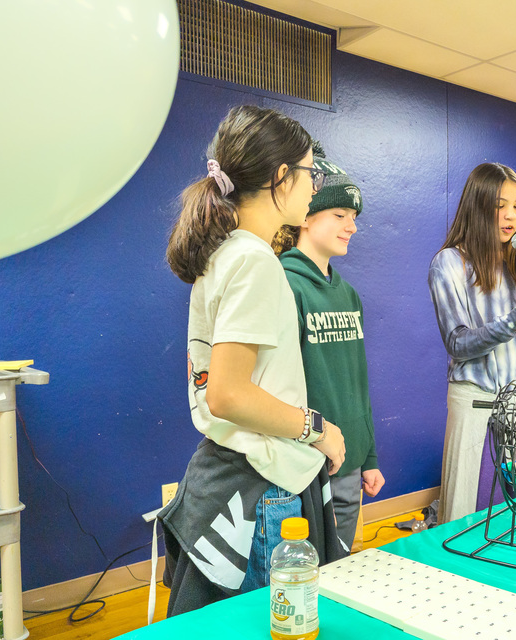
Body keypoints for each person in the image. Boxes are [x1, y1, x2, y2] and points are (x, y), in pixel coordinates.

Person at [160, 105, 347, 616]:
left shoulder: (225, 253)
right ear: (280, 177)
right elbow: (228, 394)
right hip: (261, 488)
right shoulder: (254, 262)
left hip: (232, 475)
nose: (315, 186)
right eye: (310, 173)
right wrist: (317, 429)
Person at [428, 162, 516, 524]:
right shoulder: (450, 264)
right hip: (479, 404)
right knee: (470, 518)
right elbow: (458, 343)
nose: (510, 216)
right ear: (478, 204)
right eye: (500, 205)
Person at [272, 143, 384, 553]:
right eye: (340, 215)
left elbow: (358, 382)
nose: (351, 226)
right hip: (306, 464)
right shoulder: (284, 284)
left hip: (349, 464)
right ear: (305, 215)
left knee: (342, 572)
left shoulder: (349, 294)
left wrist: (367, 457)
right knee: (305, 573)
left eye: (353, 218)